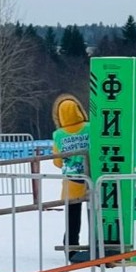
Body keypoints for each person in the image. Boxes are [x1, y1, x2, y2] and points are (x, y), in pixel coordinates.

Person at [51, 93, 91, 263]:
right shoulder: (90, 127)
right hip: (93, 177)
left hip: (72, 180)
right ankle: (100, 242)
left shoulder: (59, 135)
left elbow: (57, 161)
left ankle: (71, 246)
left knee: (73, 215)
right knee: (96, 212)